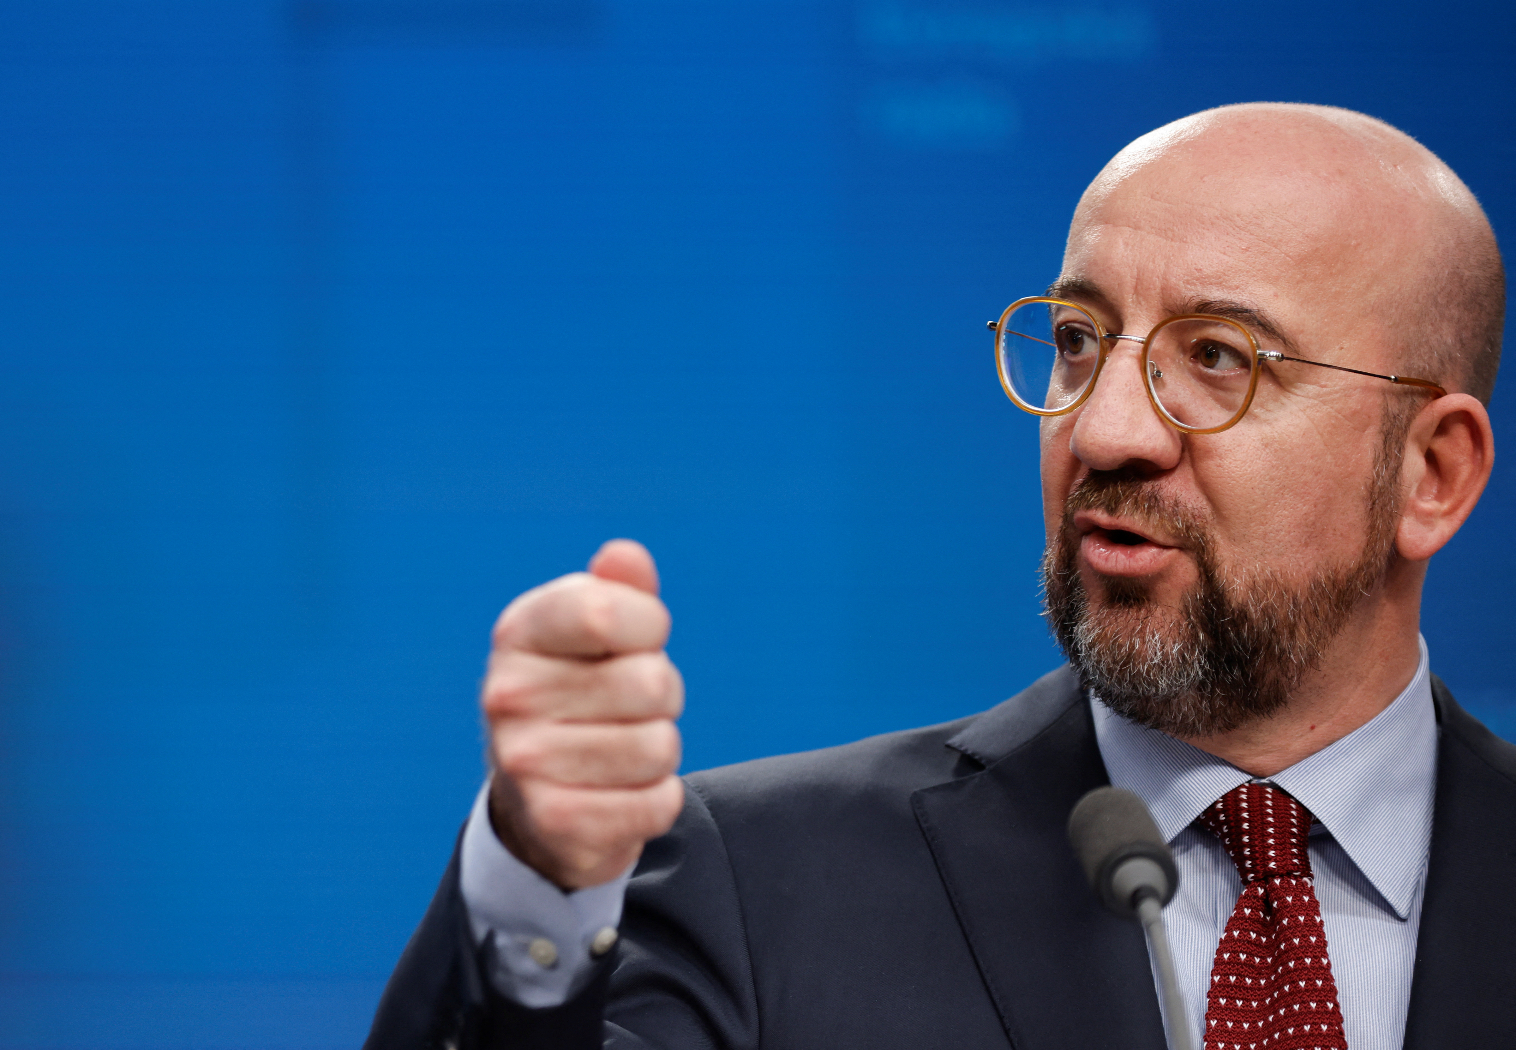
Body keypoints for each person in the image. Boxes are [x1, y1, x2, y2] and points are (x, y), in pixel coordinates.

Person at [364, 103, 1515, 1050]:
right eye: (1077, 339)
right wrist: (533, 889)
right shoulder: (757, 885)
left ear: (1432, 474)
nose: (1104, 430)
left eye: (1216, 358)